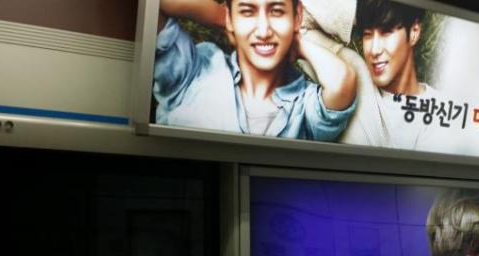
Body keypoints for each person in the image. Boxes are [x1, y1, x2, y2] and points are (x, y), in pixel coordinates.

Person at [153, 0, 356, 141]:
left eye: (276, 11)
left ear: (297, 17)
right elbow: (155, 5)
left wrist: (297, 42)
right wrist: (224, 19)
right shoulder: (192, 73)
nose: (263, 31)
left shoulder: (303, 107)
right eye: (247, 12)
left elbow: (342, 82)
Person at [354, 0, 439, 150]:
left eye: (386, 32)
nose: (374, 50)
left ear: (414, 32)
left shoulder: (440, 109)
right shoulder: (354, 88)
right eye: (367, 34)